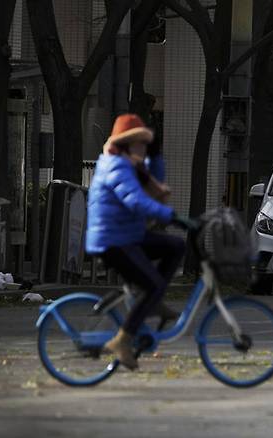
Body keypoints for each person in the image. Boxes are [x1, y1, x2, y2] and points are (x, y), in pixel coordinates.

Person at [86, 113, 189, 370]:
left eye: (146, 143)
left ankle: (152, 303)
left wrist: (156, 155)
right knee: (154, 284)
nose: (143, 147)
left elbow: (156, 183)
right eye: (140, 143)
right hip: (113, 241)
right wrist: (172, 216)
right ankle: (122, 340)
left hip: (129, 235)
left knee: (176, 246)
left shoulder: (133, 166)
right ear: (125, 145)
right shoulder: (116, 166)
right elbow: (135, 200)